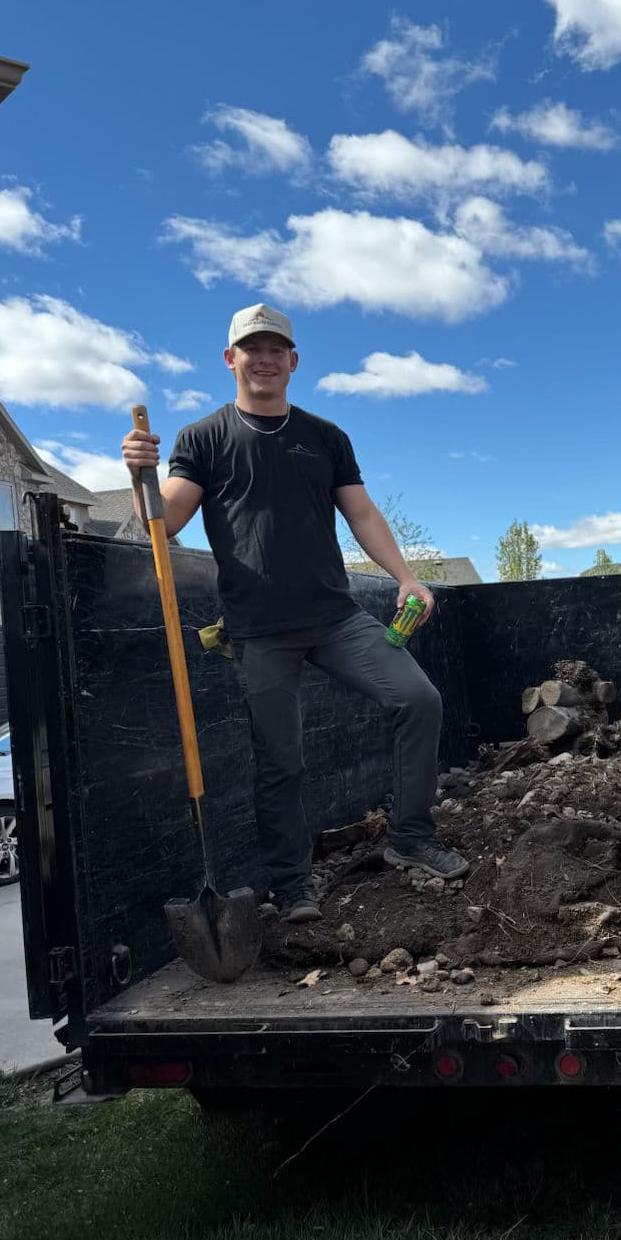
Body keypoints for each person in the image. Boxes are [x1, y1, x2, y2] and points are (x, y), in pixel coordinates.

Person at [120, 302, 467, 925]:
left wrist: (407, 576)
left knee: (419, 699)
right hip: (259, 633)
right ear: (231, 359)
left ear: (293, 361)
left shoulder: (326, 437)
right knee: (281, 761)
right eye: (251, 348)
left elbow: (362, 515)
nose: (264, 358)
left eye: (275, 348)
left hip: (337, 619)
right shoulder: (203, 437)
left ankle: (410, 841)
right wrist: (140, 475)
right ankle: (292, 886)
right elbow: (165, 521)